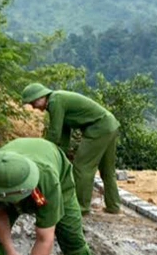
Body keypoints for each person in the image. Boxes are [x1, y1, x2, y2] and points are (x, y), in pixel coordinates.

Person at [21, 83, 121, 216]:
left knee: (82, 167)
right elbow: (63, 134)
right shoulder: (59, 100)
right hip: (110, 125)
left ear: (41, 97)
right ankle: (113, 206)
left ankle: (81, 208)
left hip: (98, 129)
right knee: (107, 170)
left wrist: (41, 152)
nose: (34, 107)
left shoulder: (55, 101)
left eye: (33, 103)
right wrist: (60, 155)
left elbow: (55, 132)